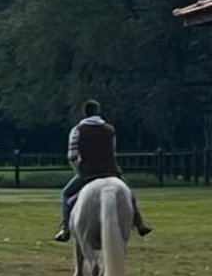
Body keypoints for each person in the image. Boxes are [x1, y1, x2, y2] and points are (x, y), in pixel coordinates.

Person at [53, 100, 153, 243]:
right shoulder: (109, 129)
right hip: (111, 171)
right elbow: (112, 151)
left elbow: (72, 156)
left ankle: (66, 229)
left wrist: (79, 171)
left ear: (84, 113)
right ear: (98, 111)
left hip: (88, 172)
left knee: (66, 195)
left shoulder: (77, 130)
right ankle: (140, 223)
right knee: (129, 194)